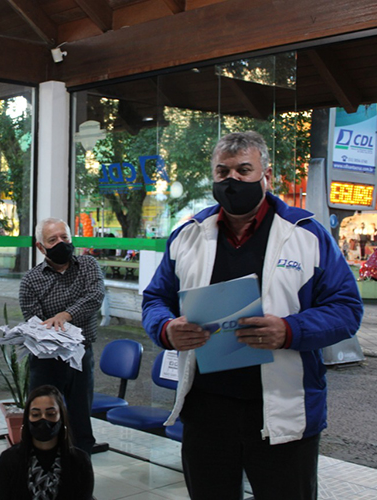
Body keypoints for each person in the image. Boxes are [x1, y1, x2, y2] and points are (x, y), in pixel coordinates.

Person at [142, 131, 362, 500]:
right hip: (206, 410)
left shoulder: (306, 236)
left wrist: (289, 330)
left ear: (267, 176)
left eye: (244, 170)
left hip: (281, 410)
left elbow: (346, 309)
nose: (232, 181)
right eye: (223, 172)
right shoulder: (188, 236)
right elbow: (155, 299)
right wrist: (166, 329)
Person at [19, 218, 105, 455]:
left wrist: (64, 316)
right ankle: (40, 466)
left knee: (80, 420)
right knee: (43, 419)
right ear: (40, 247)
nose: (61, 243)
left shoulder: (88, 265)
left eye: (64, 237)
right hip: (47, 359)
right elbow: (36, 322)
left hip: (81, 355)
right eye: (53, 240)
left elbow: (95, 296)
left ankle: (80, 467)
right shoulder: (30, 280)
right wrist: (52, 326)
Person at [0, 385, 94, 500]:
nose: (43, 419)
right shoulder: (8, 460)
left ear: (61, 418)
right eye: (36, 415)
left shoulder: (80, 460)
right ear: (27, 419)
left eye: (51, 414)